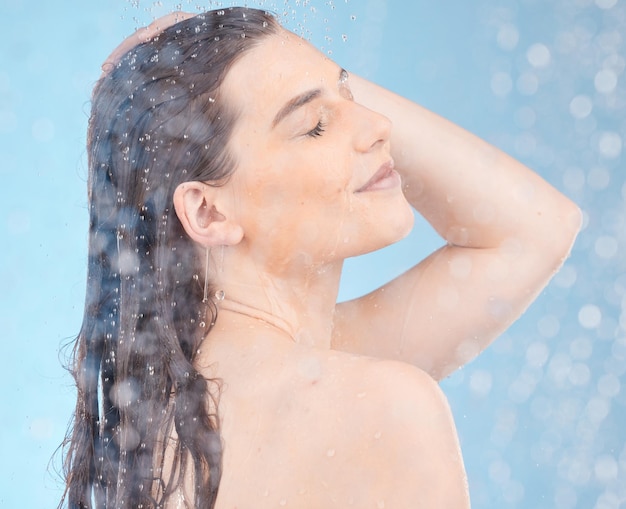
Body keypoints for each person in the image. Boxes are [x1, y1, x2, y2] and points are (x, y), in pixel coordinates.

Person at [60, 7, 581, 509]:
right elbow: (531, 229)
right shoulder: (380, 406)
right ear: (208, 211)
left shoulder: (151, 431)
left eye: (351, 93)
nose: (378, 124)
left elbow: (535, 231)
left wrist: (268, 59)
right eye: (313, 126)